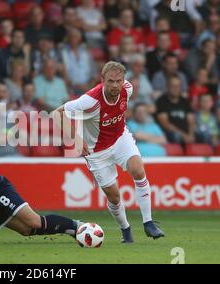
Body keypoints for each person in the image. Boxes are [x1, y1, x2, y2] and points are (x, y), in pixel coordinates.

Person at [54, 61, 164, 243]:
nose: (115, 85)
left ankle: (148, 222)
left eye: (118, 81)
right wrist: (76, 139)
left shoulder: (128, 89)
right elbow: (56, 114)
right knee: (114, 197)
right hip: (96, 152)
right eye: (111, 81)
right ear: (102, 80)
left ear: (123, 81)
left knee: (138, 170)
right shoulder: (90, 101)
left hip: (120, 138)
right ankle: (126, 230)